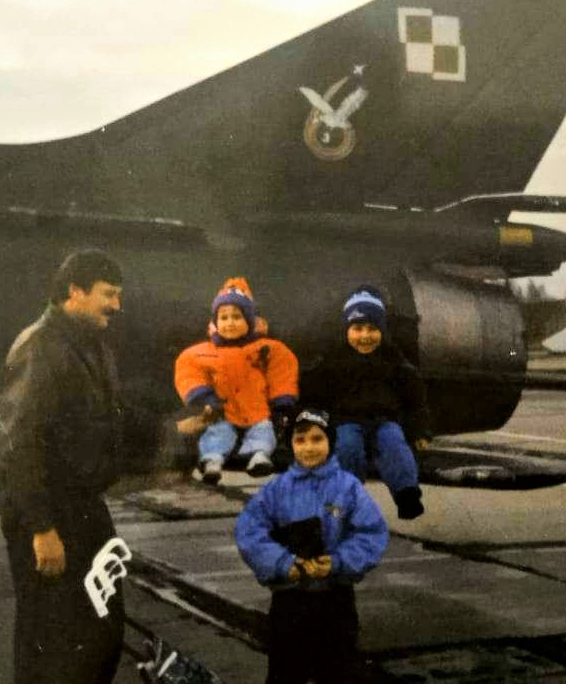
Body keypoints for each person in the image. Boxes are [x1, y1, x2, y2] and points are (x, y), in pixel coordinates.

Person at [0, 249, 129, 684]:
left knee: (101, 630)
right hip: (50, 514)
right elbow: (20, 443)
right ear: (75, 292)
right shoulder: (40, 346)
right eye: (108, 294)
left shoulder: (90, 344)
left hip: (84, 508)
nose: (116, 305)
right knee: (50, 639)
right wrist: (41, 528)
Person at [234, 409, 389, 684]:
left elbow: (371, 532)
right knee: (285, 673)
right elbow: (249, 531)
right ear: (290, 445)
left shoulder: (348, 487)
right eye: (300, 440)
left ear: (330, 442)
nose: (309, 448)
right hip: (289, 600)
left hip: (336, 599)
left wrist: (338, 561)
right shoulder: (277, 489)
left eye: (317, 439)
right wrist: (282, 563)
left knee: (339, 671)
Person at [303, 285, 429, 519]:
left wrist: (419, 430)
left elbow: (413, 396)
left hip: (384, 420)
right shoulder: (335, 359)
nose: (364, 336)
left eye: (372, 329)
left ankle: (407, 494)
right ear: (346, 330)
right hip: (346, 420)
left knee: (395, 446)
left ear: (383, 331)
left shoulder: (392, 358)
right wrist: (311, 419)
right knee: (347, 448)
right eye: (357, 328)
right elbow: (316, 390)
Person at [174, 277, 299, 484]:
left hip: (257, 408)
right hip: (222, 409)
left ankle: (259, 456)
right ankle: (212, 461)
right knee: (218, 432)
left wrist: (281, 402)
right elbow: (188, 371)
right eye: (223, 318)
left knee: (263, 430)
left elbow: (282, 371)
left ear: (250, 321)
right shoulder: (202, 352)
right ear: (215, 322)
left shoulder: (266, 348)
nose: (230, 323)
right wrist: (203, 397)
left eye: (237, 317)